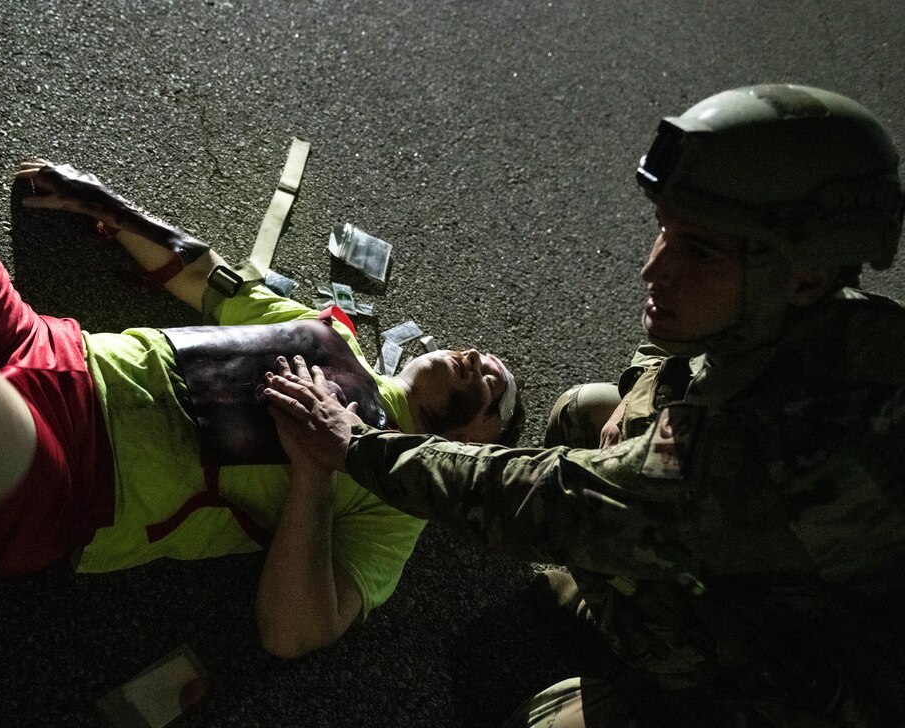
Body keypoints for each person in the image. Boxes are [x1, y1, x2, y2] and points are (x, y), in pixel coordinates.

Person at [264, 83, 905, 724]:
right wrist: (643, 389)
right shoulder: (823, 318)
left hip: (798, 684)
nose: (655, 270)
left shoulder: (783, 459)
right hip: (760, 571)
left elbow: (545, 499)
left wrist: (354, 446)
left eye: (701, 253)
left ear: (805, 276)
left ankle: (658, 660)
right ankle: (634, 604)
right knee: (586, 413)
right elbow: (685, 359)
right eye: (665, 231)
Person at [0, 110, 523, 658]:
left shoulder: (398, 501)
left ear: (480, 443)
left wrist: (314, 475)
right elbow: (202, 275)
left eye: (502, 399)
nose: (488, 369)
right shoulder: (329, 332)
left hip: (68, 474)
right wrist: (102, 203)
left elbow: (295, 633)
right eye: (490, 360)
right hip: (41, 342)